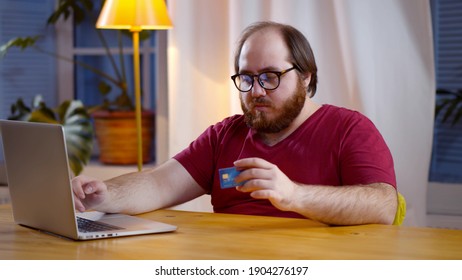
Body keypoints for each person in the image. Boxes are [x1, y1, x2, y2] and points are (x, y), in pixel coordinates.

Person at [72, 21, 398, 226]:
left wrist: (295, 195)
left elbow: (383, 205)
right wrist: (101, 194)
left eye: (270, 76)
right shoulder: (225, 134)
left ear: (305, 76)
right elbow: (158, 184)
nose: (256, 91)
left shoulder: (349, 129)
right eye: (246, 77)